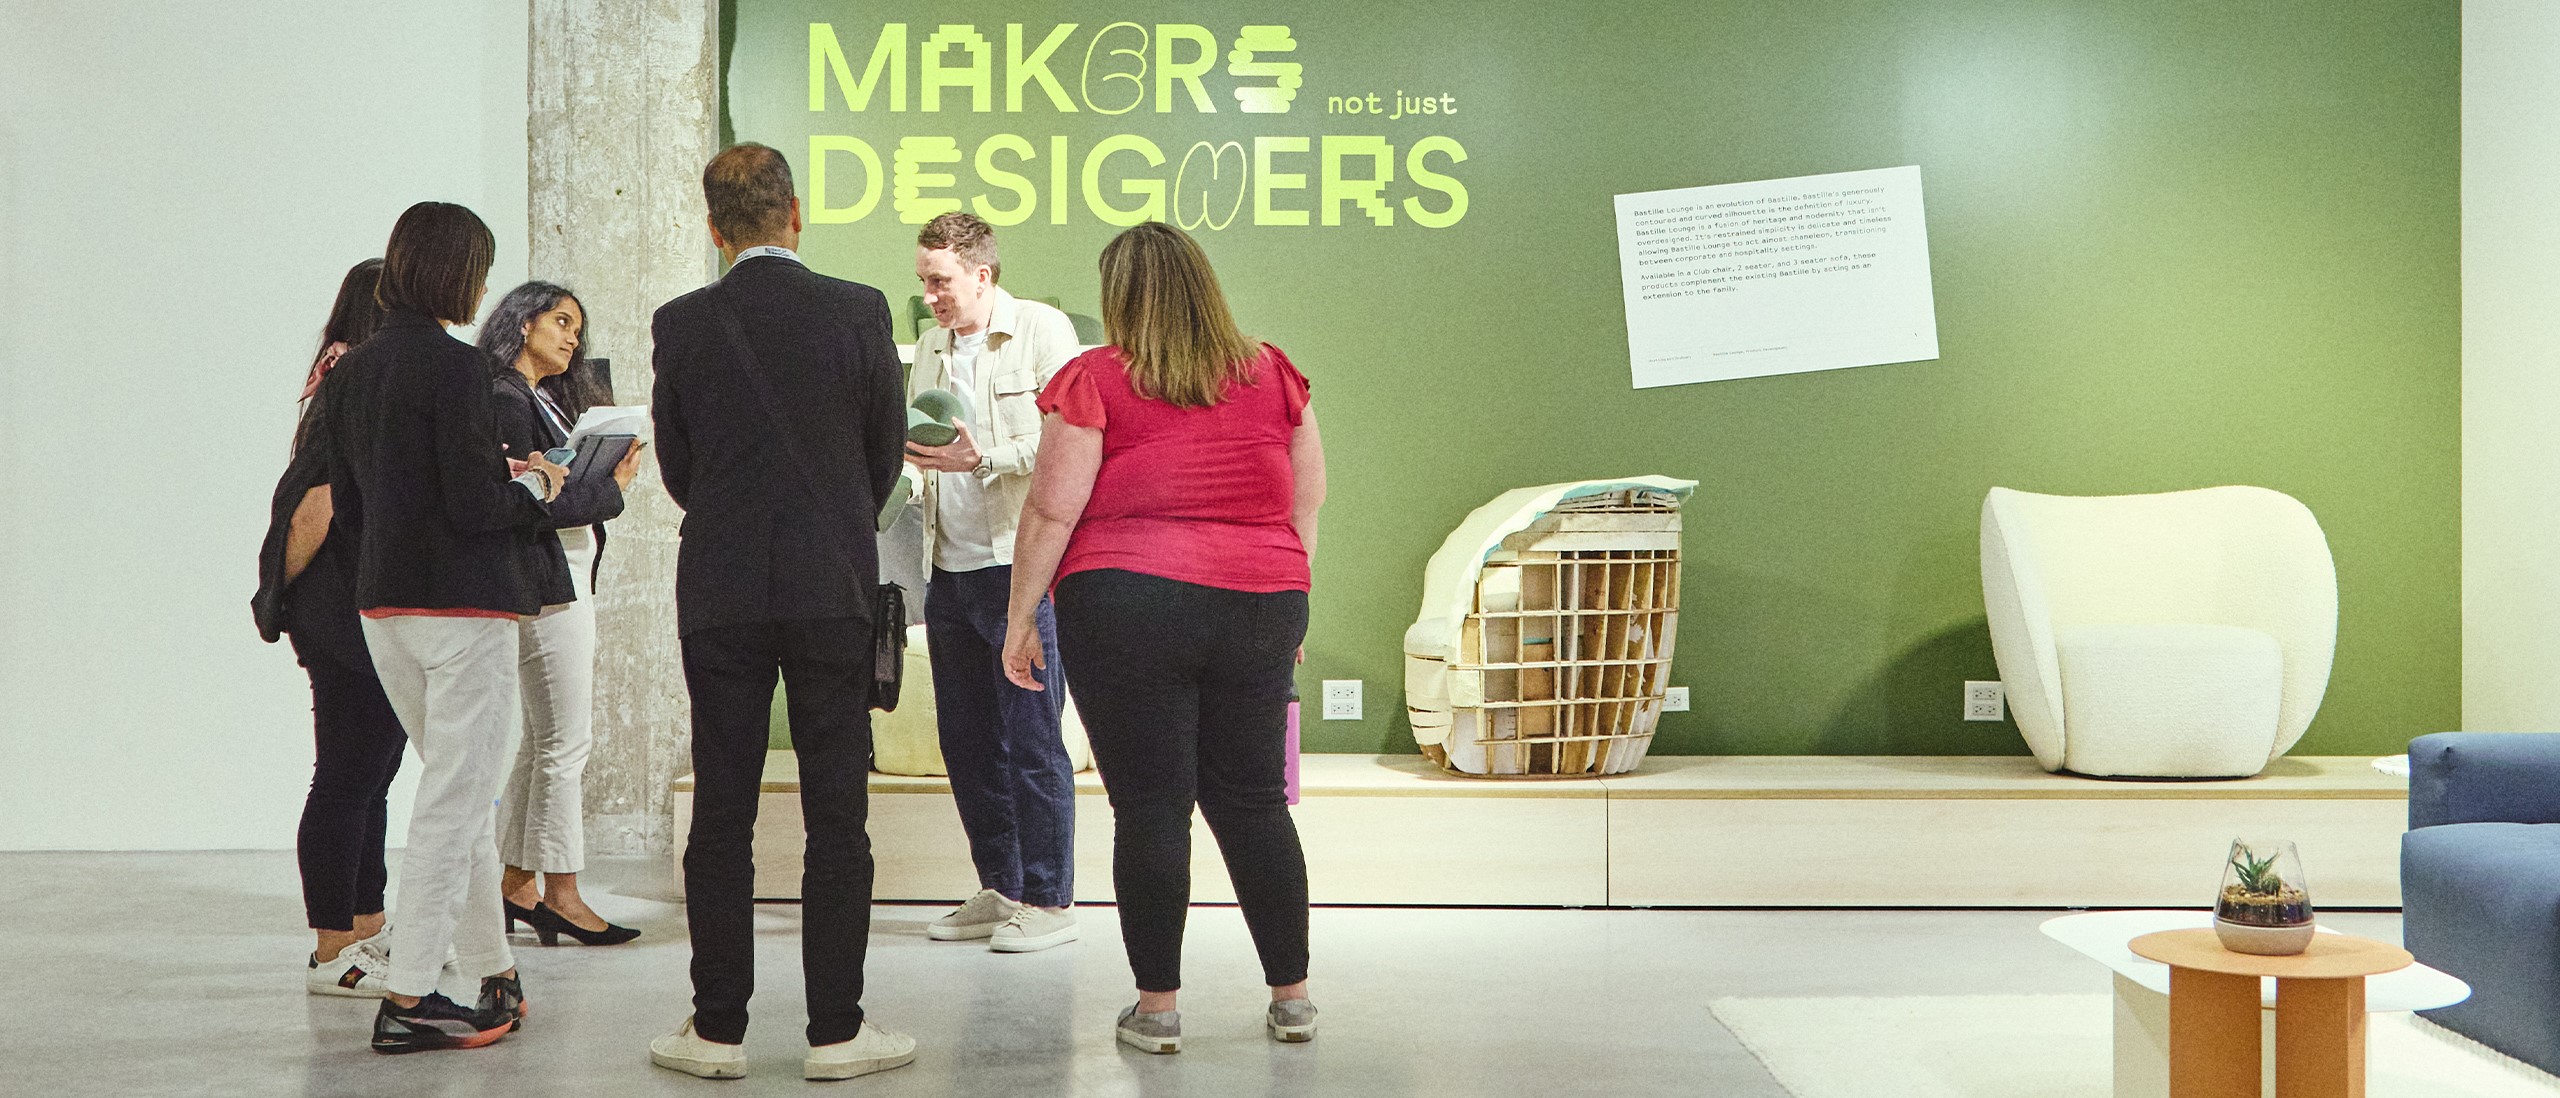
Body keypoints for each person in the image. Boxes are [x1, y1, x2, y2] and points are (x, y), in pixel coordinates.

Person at [1000, 221, 1327, 1053]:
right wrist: (1289, 600)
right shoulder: (1273, 372)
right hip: (1261, 596)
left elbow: (1052, 510)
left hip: (1127, 601)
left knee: (1151, 805)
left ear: (1119, 296)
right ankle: (1292, 999)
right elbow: (1305, 500)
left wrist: (1020, 616)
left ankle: (1158, 1011)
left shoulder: (1095, 378)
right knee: (1254, 800)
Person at [645, 143, 914, 1081]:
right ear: (795, 214)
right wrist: (833, 515)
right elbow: (885, 455)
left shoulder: (681, 322)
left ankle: (717, 1031)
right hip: (831, 585)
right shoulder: (859, 309)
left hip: (720, 588)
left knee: (721, 810)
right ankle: (836, 1032)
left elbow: (677, 465)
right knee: (837, 812)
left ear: (713, 229)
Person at [322, 201, 568, 1054]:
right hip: (462, 610)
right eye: (481, 270)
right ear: (458, 274)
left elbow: (351, 504)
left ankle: (493, 969)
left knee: (456, 797)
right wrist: (533, 487)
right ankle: (412, 993)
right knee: (453, 805)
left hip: (384, 608)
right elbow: (472, 505)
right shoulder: (459, 369)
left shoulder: (350, 372)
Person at [904, 212, 1083, 952]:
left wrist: (985, 457)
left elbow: (1071, 439)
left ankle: (1050, 900)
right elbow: (924, 444)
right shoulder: (929, 347)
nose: (930, 297)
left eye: (940, 281)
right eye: (923, 282)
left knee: (1033, 740)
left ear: (982, 274)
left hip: (1022, 569)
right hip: (948, 569)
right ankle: (1002, 886)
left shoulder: (1042, 330)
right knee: (969, 743)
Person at [251, 258, 406, 998]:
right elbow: (313, 506)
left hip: (356, 608)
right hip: (344, 614)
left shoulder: (342, 381)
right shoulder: (349, 384)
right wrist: (287, 599)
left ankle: (366, 928)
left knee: (371, 775)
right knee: (347, 777)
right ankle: (331, 948)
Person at [478, 281, 646, 946]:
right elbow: (531, 502)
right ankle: (563, 894)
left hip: (558, 576)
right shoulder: (507, 398)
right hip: (548, 582)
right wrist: (613, 488)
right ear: (522, 324)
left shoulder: (534, 396)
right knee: (565, 743)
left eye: (578, 326)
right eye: (560, 321)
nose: (573, 337)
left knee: (543, 741)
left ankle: (518, 884)